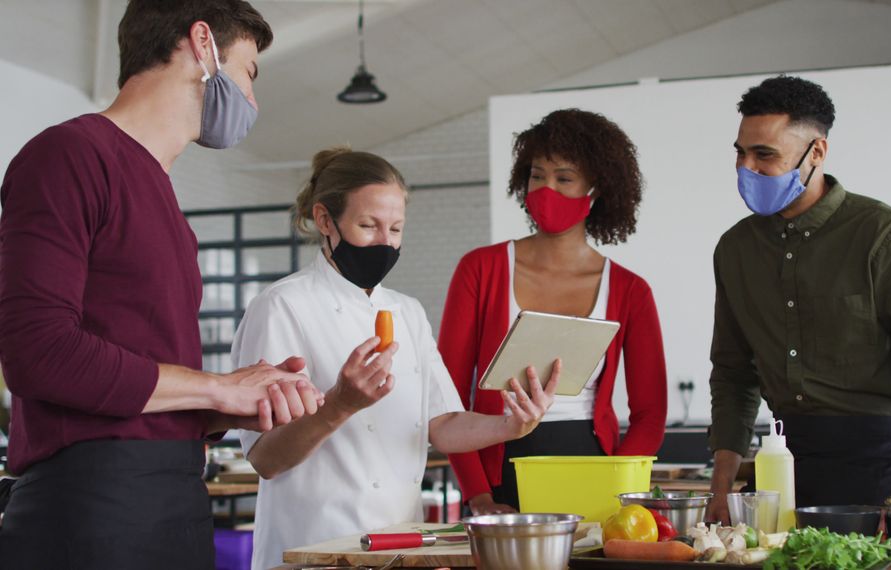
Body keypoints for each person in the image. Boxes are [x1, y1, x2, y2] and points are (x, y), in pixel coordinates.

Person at [0, 2, 322, 567]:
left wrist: (230, 404)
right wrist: (216, 388)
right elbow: (36, 352)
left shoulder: (167, 201)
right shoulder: (70, 155)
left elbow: (139, 380)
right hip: (93, 510)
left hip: (173, 501)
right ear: (203, 44)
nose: (251, 99)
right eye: (248, 71)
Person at [233, 148, 561, 570]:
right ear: (325, 220)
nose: (384, 243)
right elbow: (265, 458)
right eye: (367, 226)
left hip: (401, 545)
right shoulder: (281, 306)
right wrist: (340, 404)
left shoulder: (407, 311)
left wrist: (512, 425)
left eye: (396, 228)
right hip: (313, 545)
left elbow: (443, 425)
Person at [704, 76, 891, 523]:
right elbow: (733, 374)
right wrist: (719, 491)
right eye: (740, 152)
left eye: (765, 155)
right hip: (782, 463)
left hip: (884, 466)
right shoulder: (735, 250)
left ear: (817, 153)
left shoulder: (887, 236)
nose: (746, 168)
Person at [440, 109, 669, 515]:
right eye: (536, 175)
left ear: (595, 190)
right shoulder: (480, 268)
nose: (547, 189)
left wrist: (618, 491)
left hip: (590, 463)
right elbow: (448, 396)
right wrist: (478, 495)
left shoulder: (631, 291)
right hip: (498, 462)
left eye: (564, 178)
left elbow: (650, 414)